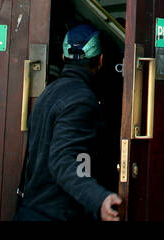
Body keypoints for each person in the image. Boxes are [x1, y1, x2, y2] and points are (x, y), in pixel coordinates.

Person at [14, 24, 123, 221]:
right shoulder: (82, 100)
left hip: (32, 210)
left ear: (64, 58)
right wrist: (98, 199)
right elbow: (63, 159)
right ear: (100, 60)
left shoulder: (48, 93)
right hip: (55, 215)